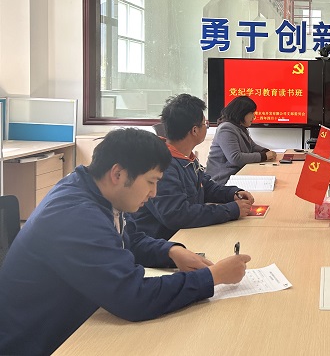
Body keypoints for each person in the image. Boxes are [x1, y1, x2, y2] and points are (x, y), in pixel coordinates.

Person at [0, 128, 251, 356]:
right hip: (41, 342)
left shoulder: (97, 192)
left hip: (76, 318)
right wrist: (212, 277)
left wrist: (170, 251)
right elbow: (133, 297)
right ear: (118, 174)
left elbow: (128, 240)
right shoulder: (77, 215)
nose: (153, 193)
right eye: (151, 181)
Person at [128, 94, 254, 240]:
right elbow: (176, 214)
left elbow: (206, 187)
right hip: (166, 242)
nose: (206, 127)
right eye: (205, 124)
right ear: (194, 131)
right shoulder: (161, 165)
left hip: (188, 234)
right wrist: (231, 210)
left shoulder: (186, 157)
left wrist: (233, 193)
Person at [206, 95, 277, 183]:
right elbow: (235, 158)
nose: (254, 117)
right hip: (223, 180)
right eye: (252, 113)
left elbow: (252, 146)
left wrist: (266, 151)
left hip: (238, 174)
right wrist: (264, 156)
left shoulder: (239, 127)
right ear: (242, 113)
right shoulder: (226, 129)